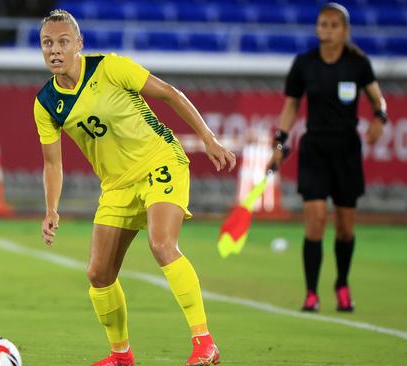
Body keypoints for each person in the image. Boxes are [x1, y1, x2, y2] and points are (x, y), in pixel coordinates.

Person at [33, 9, 235, 366]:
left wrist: (208, 138)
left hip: (160, 161)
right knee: (98, 274)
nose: (55, 50)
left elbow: (169, 94)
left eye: (63, 42)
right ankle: (121, 356)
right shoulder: (46, 103)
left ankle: (205, 342)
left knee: (161, 244)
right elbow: (53, 163)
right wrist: (51, 209)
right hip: (117, 185)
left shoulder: (110, 68)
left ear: (79, 44)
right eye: (47, 43)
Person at [268, 3, 388, 313]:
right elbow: (291, 105)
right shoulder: (304, 64)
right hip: (315, 150)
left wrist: (379, 119)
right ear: (317, 28)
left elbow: (378, 100)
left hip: (347, 151)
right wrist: (280, 142)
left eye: (334, 25)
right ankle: (311, 292)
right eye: (323, 24)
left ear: (345, 31)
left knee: (346, 228)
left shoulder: (358, 65)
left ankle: (342, 284)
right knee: (316, 220)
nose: (327, 30)